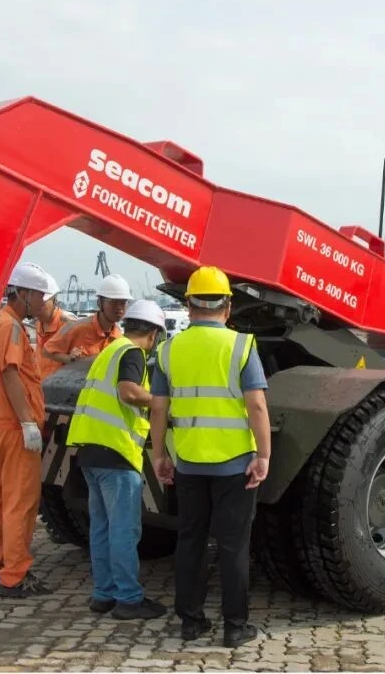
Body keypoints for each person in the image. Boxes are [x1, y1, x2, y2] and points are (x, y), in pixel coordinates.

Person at [149, 265, 270, 648]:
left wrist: (159, 455)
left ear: (188, 305)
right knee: (233, 545)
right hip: (235, 463)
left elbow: (157, 409)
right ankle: (235, 627)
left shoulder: (169, 350)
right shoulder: (242, 346)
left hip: (188, 462)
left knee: (191, 540)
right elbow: (257, 406)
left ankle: (190, 622)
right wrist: (264, 454)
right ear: (228, 306)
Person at [65, 299, 169, 620]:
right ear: (152, 334)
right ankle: (128, 599)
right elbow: (128, 392)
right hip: (117, 454)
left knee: (102, 528)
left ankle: (103, 594)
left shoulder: (108, 352)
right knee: (124, 530)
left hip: (91, 453)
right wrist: (161, 401)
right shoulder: (132, 353)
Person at [0, 261, 56, 598]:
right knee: (20, 504)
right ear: (24, 294)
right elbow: (11, 374)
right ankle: (15, 575)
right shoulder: (11, 328)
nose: (42, 304)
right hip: (13, 427)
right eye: (39, 297)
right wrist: (27, 422)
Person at [36, 274, 132, 380]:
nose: (119, 308)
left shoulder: (118, 337)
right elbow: (47, 351)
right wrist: (69, 359)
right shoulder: (76, 327)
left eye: (123, 303)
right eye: (114, 302)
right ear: (99, 303)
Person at [33, 271, 78, 352]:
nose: (38, 308)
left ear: (54, 300)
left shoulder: (67, 323)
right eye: (35, 303)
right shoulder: (39, 324)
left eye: (42, 304)